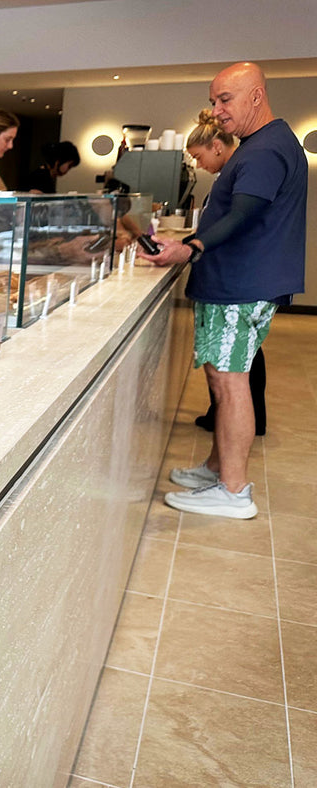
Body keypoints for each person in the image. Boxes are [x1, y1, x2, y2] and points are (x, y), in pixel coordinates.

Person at [139, 62, 307, 520]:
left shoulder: (265, 150)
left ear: (256, 96)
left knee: (232, 384)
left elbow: (244, 215)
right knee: (221, 377)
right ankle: (219, 468)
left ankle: (234, 491)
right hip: (233, 282)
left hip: (242, 284)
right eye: (214, 100)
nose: (216, 110)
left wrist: (189, 247)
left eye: (224, 100)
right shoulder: (263, 145)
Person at [182, 109, 267, 437]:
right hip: (234, 279)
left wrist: (192, 246)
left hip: (236, 281)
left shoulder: (243, 170)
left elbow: (235, 223)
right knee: (243, 359)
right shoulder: (230, 174)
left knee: (234, 369)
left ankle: (247, 423)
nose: (198, 165)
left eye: (198, 157)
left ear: (217, 146)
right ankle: (240, 419)